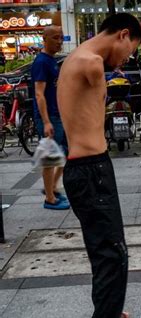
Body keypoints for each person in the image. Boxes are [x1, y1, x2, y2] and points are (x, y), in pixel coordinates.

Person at [57, 13, 141, 318]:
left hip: (89, 168)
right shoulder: (90, 63)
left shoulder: (75, 57)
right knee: (112, 256)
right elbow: (102, 74)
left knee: (107, 251)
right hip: (90, 171)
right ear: (123, 34)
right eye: (130, 50)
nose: (126, 59)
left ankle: (107, 317)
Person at [31, 25, 70, 210]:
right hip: (48, 117)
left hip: (56, 114)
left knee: (65, 153)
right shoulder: (41, 62)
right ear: (44, 39)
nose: (59, 42)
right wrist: (46, 121)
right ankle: (49, 198)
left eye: (61, 37)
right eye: (55, 38)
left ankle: (52, 188)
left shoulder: (52, 60)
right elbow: (39, 94)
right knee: (50, 157)